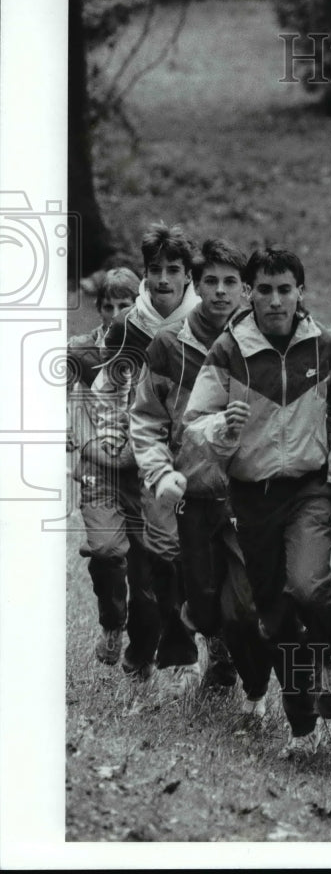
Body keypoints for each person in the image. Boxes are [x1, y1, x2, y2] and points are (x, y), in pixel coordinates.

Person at [183, 247, 331, 753]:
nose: (275, 299)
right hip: (251, 494)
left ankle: (327, 656)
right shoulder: (228, 350)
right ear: (249, 292)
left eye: (285, 289)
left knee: (307, 585)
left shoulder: (325, 344)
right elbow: (194, 422)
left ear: (300, 292)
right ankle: (301, 721)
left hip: (309, 487)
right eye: (264, 289)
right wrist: (223, 425)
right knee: (273, 616)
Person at [130, 238, 268, 706]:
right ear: (196, 283)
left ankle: (254, 680)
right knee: (197, 595)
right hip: (188, 489)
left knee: (247, 600)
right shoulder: (169, 345)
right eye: (211, 281)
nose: (221, 292)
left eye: (232, 282)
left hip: (246, 493)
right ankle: (215, 648)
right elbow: (146, 419)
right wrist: (159, 472)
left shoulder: (264, 340)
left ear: (247, 290)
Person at [93, 222, 200, 686]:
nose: (162, 279)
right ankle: (141, 653)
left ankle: (196, 646)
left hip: (194, 458)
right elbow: (106, 390)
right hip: (139, 458)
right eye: (154, 269)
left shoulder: (206, 324)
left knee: (186, 561)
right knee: (146, 566)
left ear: (186, 275)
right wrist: (113, 435)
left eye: (172, 270)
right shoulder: (126, 328)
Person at [67, 267, 140, 664]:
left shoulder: (153, 347)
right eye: (108, 306)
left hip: (143, 470)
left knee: (152, 565)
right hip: (99, 467)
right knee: (108, 551)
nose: (115, 314)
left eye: (124, 305)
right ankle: (113, 624)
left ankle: (147, 648)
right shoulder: (84, 351)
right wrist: (75, 436)